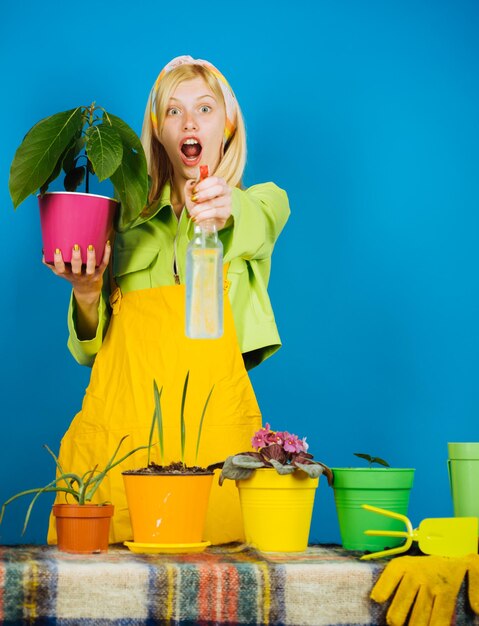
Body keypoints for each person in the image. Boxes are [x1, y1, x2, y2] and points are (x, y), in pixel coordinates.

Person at [44, 55, 290, 545]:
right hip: (119, 451)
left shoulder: (260, 203)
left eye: (204, 107)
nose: (190, 122)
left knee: (220, 595)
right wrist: (88, 292)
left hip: (214, 452)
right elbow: (89, 351)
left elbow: (256, 224)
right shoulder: (124, 223)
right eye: (173, 111)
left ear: (229, 121)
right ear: (158, 130)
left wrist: (223, 209)